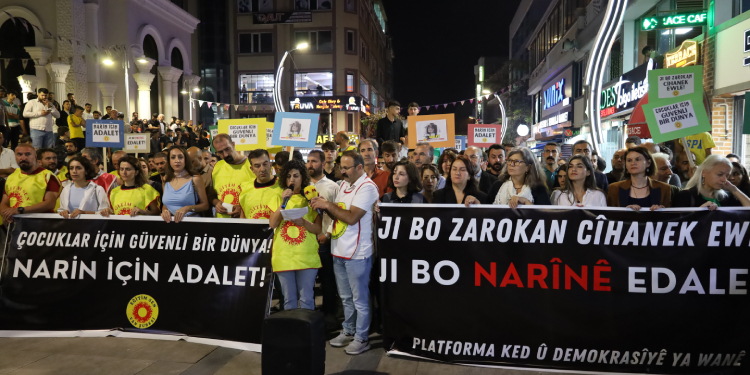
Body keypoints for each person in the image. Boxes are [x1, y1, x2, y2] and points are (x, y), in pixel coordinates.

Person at [309, 150, 379, 355]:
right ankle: (348, 329)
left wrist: (327, 204)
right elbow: (337, 214)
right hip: (338, 250)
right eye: (341, 167)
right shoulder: (343, 185)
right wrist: (325, 213)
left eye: (346, 168)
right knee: (346, 297)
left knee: (360, 299)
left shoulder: (367, 188)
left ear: (360, 168)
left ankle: (362, 337)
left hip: (359, 252)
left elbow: (351, 218)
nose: (342, 171)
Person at [269, 159, 322, 310]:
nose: (292, 179)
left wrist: (304, 223)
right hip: (284, 256)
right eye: (289, 176)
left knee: (307, 298)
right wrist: (283, 203)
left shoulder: (311, 197)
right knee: (288, 300)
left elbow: (318, 229)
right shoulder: (278, 197)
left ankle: (307, 332)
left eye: (296, 176)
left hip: (306, 255)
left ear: (303, 177)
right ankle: (291, 332)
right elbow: (272, 224)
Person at [306, 149, 340, 325]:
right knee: (308, 281)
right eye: (308, 161)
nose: (310, 165)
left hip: (324, 240)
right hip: (305, 241)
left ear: (322, 163)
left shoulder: (332, 187)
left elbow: (338, 214)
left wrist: (327, 234)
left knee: (327, 280)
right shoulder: (301, 185)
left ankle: (328, 313)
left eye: (314, 161)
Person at [0, 144, 61, 223]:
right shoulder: (12, 176)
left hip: (41, 225)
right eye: (19, 154)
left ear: (35, 157)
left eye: (28, 154)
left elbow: (50, 203)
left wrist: (19, 210)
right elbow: (4, 202)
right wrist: (5, 214)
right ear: (15, 156)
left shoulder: (47, 176)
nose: (23, 158)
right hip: (16, 225)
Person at [475, 148, 550, 208]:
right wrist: (477, 203)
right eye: (509, 161)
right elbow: (486, 209)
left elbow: (547, 215)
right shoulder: (498, 185)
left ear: (528, 167)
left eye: (517, 161)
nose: (512, 164)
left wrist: (526, 202)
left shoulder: (537, 187)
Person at [606, 147, 672, 210]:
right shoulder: (614, 188)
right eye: (629, 160)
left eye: (638, 159)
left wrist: (661, 211)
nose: (633, 163)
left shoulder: (664, 188)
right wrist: (626, 211)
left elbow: (669, 218)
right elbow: (609, 216)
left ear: (648, 163)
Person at [674, 155, 750, 209]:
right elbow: (678, 225)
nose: (724, 179)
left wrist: (735, 190)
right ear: (704, 173)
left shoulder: (725, 197)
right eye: (720, 174)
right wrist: (699, 211)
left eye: (727, 176)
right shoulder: (684, 197)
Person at [210, 135, 257, 218]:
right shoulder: (217, 167)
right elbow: (211, 193)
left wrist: (243, 209)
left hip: (245, 222)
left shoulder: (253, 166)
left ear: (233, 144)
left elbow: (263, 194)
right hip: (222, 222)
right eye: (220, 152)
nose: (225, 154)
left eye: (227, 149)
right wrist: (216, 203)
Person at [160, 147, 209, 223]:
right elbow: (166, 204)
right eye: (173, 157)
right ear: (169, 161)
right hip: (170, 224)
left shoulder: (195, 178)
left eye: (180, 157)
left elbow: (205, 205)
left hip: (191, 223)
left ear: (186, 160)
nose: (177, 160)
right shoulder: (165, 179)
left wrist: (188, 208)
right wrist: (164, 211)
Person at [238, 149, 283, 219]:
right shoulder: (245, 188)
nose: (262, 169)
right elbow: (243, 217)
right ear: (252, 169)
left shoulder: (283, 185)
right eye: (257, 166)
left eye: (265, 164)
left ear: (270, 164)